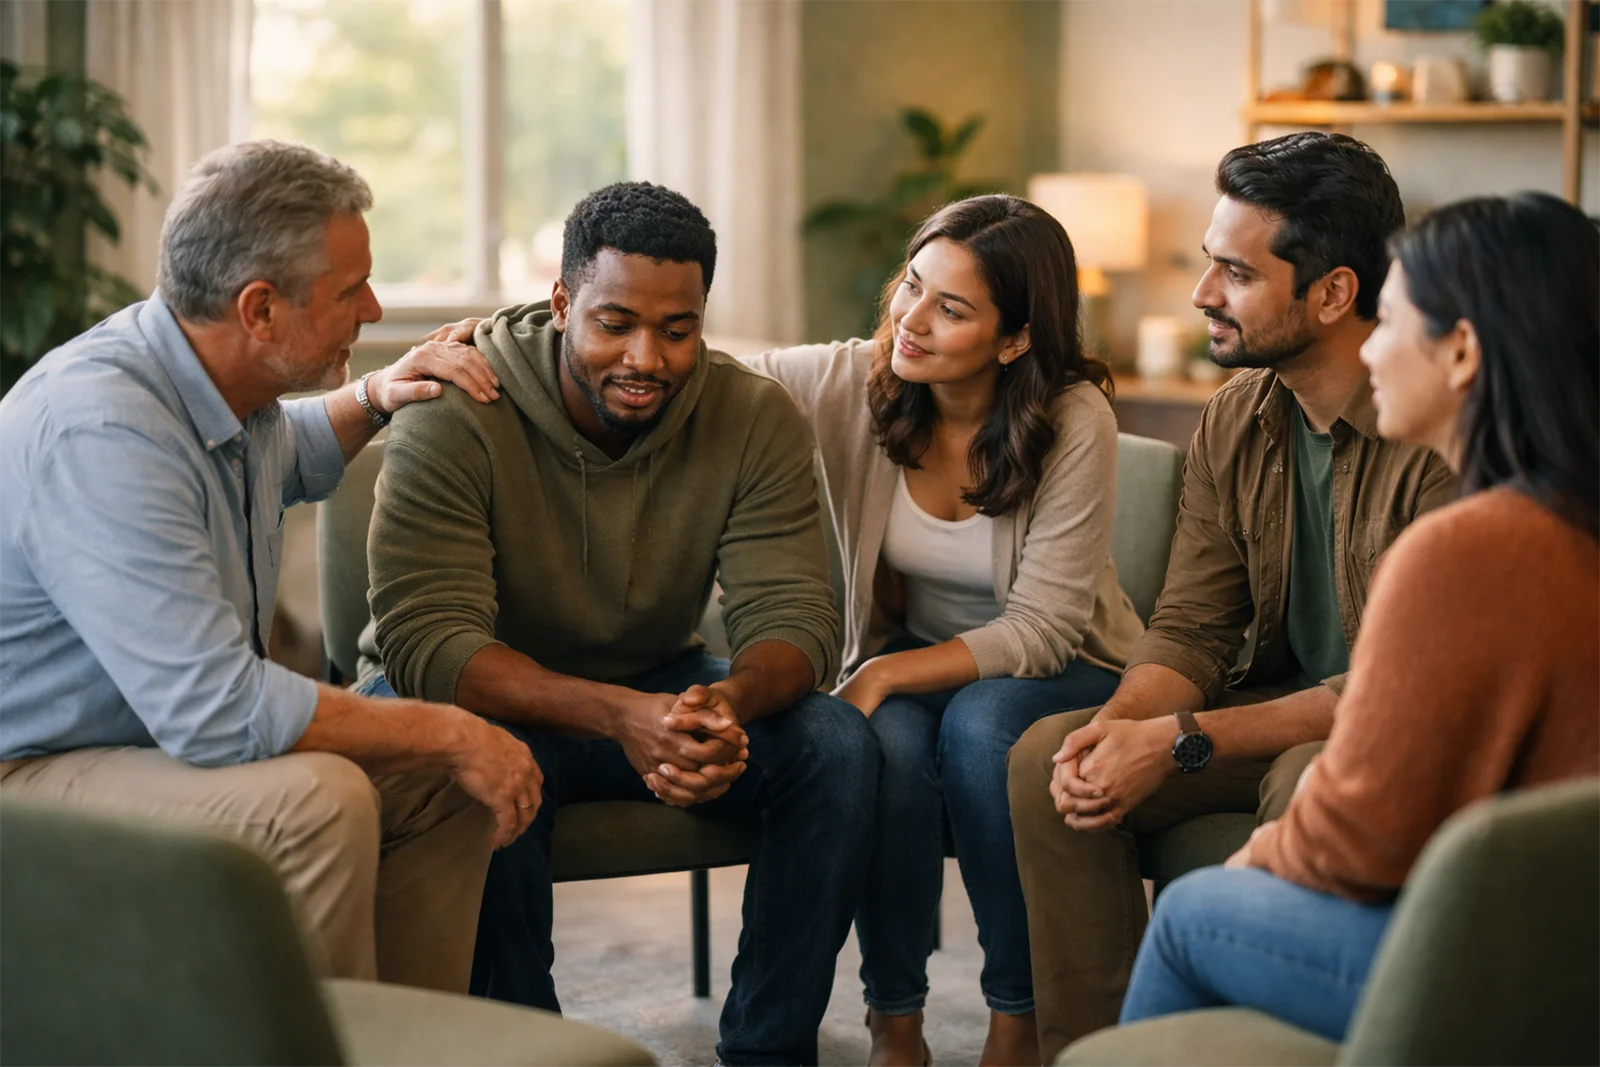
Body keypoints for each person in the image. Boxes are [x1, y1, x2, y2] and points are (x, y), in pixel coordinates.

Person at [356, 180, 880, 1067]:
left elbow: (796, 616)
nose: (647, 356)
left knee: (837, 745)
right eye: (615, 323)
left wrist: (726, 704)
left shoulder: (751, 414)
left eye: (678, 330)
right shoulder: (455, 407)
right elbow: (429, 645)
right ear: (563, 303)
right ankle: (527, 1051)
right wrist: (619, 716)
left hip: (655, 684)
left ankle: (767, 1049)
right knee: (473, 763)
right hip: (481, 693)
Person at [0, 140, 543, 994]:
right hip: (33, 771)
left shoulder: (224, 394)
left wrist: (378, 393)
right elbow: (216, 711)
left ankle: (410, 1045)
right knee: (321, 798)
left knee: (446, 779)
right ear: (259, 308)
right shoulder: (100, 429)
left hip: (150, 745)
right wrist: (451, 728)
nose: (370, 307)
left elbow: (291, 452)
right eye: (347, 290)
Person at [1006, 131, 1457, 1060]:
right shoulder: (1237, 415)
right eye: (1209, 265)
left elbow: (1385, 697)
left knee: (1307, 775)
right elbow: (1193, 627)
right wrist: (1126, 728)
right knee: (1051, 755)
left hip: (1384, 732)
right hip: (1264, 710)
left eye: (1234, 273)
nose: (1203, 293)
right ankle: (1093, 1050)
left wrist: (1177, 740)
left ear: (1333, 292)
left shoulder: (1436, 437)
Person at [1116, 190, 1600, 1042]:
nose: (1368, 346)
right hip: (1568, 935)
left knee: (1197, 911)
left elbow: (1353, 842)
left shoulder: (1466, 549)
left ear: (1461, 352)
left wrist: (1253, 863)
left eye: (1391, 319)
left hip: (1512, 969)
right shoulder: (1572, 518)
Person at [743, 194, 1144, 1067]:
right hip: (921, 667)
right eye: (911, 287)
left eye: (950, 308)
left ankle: (1018, 1016)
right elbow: (706, 369)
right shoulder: (857, 381)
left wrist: (884, 672)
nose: (910, 322)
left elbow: (1041, 630)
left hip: (1069, 666)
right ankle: (896, 1019)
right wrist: (518, 338)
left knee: (983, 721)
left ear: (1015, 339)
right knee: (878, 736)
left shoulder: (1075, 419)